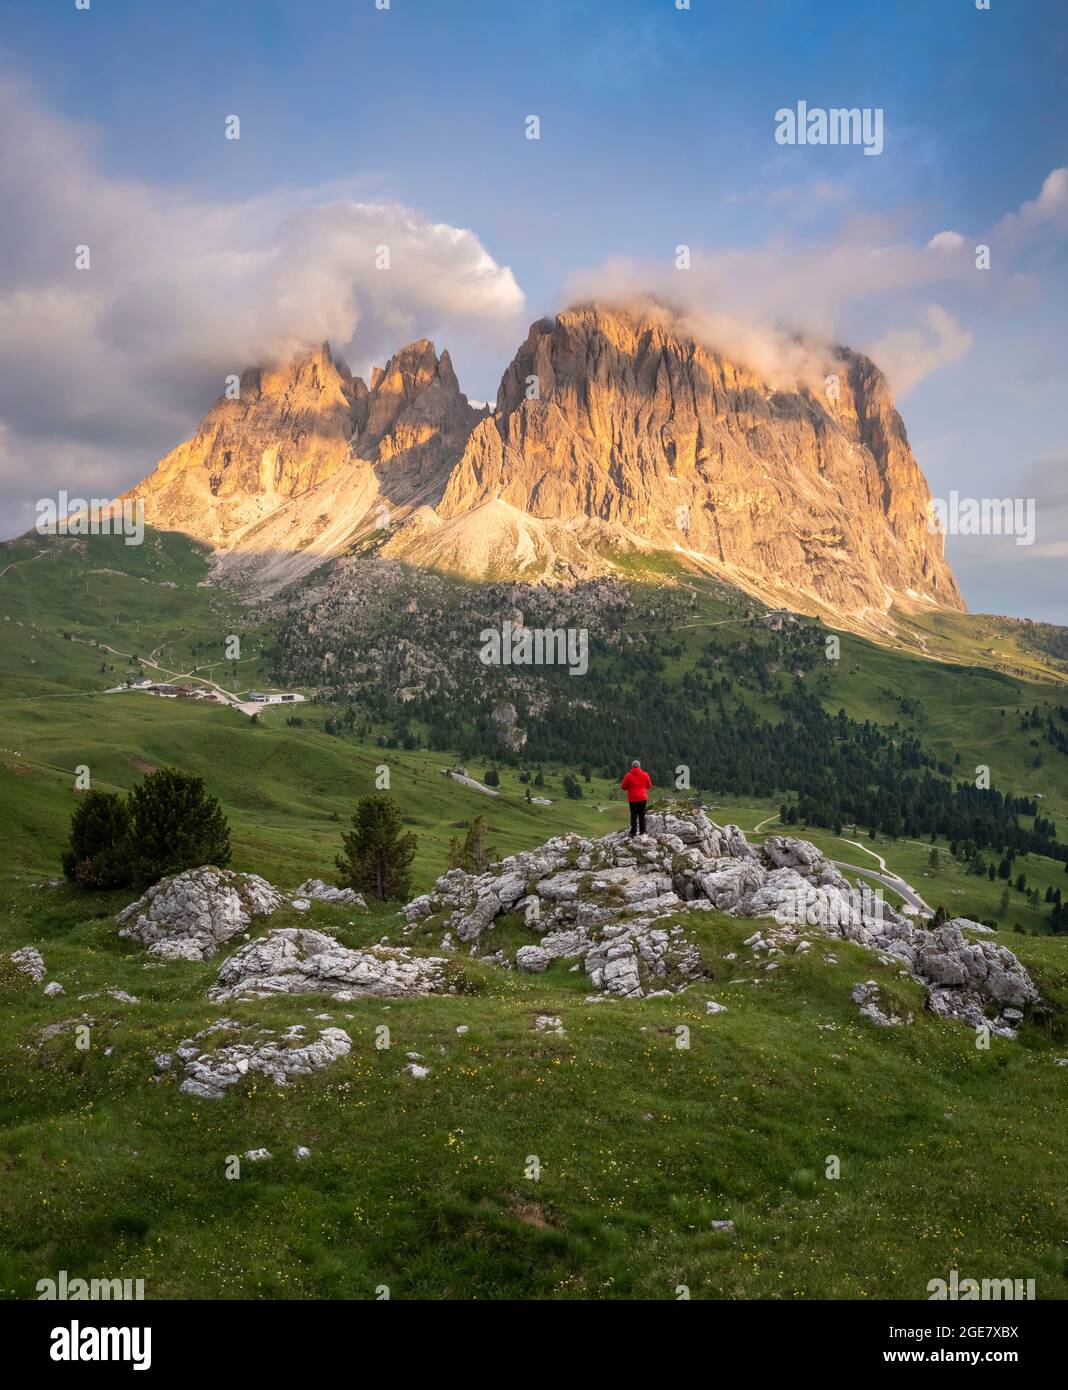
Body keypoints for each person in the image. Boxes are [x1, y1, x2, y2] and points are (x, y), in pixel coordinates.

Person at [620, 759, 652, 837]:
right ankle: (642, 831)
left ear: (632, 766)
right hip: (643, 798)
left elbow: (623, 787)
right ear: (639, 766)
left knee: (633, 815)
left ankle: (633, 832)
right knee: (642, 815)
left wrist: (630, 787)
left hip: (633, 798)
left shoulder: (628, 776)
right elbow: (649, 786)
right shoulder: (645, 774)